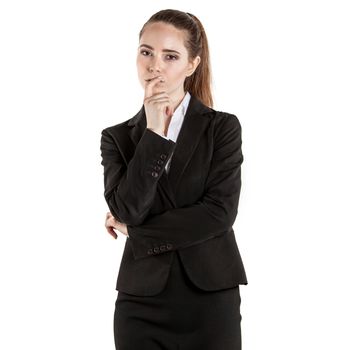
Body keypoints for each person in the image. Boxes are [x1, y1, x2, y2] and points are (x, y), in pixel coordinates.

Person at [100, 8, 248, 350]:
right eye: (146, 51)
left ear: (191, 65)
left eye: (170, 56)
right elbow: (128, 207)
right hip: (140, 304)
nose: (155, 65)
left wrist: (135, 232)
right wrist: (154, 133)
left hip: (210, 298)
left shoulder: (221, 128)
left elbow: (219, 214)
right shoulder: (117, 137)